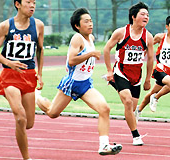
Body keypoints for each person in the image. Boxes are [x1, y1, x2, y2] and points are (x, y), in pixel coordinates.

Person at [36, 8, 122, 155]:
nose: (90, 24)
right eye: (86, 21)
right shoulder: (77, 38)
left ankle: (104, 145)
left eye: (91, 21)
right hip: (72, 83)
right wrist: (91, 54)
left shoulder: (91, 38)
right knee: (52, 113)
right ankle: (35, 94)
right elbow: (71, 60)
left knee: (104, 109)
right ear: (77, 26)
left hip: (85, 84)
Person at [0, 0, 44, 159]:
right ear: (17, 4)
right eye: (28, 2)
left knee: (28, 123)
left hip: (29, 76)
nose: (32, 6)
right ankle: (26, 158)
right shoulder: (5, 26)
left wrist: (40, 74)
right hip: (10, 76)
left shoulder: (38, 26)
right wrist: (9, 63)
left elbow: (40, 50)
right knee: (20, 117)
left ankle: (19, 119)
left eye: (34, 3)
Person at [103, 2, 154, 146]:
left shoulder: (148, 37)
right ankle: (136, 136)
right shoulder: (121, 32)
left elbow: (150, 59)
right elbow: (107, 49)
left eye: (147, 15)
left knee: (131, 110)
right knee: (127, 101)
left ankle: (114, 84)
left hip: (136, 76)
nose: (146, 17)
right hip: (121, 71)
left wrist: (148, 80)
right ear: (133, 17)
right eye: (142, 14)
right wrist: (109, 70)